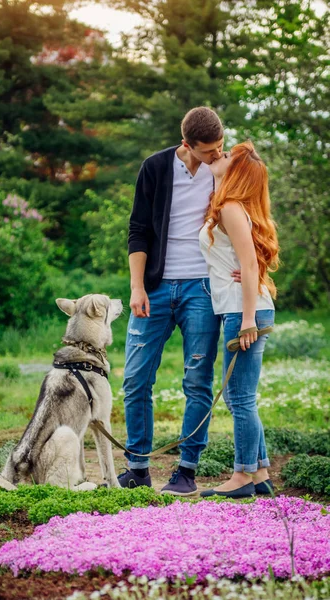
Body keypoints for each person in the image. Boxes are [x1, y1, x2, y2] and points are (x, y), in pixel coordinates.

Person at [118, 107, 240, 496]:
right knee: (136, 378)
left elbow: (251, 217)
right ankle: (137, 468)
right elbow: (138, 229)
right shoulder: (154, 168)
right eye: (209, 151)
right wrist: (137, 286)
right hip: (155, 287)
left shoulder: (227, 168)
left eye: (220, 147)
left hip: (203, 289)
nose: (216, 156)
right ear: (186, 144)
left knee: (197, 380)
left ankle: (186, 471)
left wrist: (252, 267)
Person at [198, 141, 279, 499]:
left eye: (228, 156)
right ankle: (259, 471)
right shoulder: (231, 205)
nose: (220, 156)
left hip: (243, 311)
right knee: (240, 397)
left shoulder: (231, 208)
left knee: (239, 397)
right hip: (244, 307)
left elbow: (248, 265)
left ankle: (242, 476)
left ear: (237, 173)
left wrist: (247, 319)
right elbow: (247, 264)